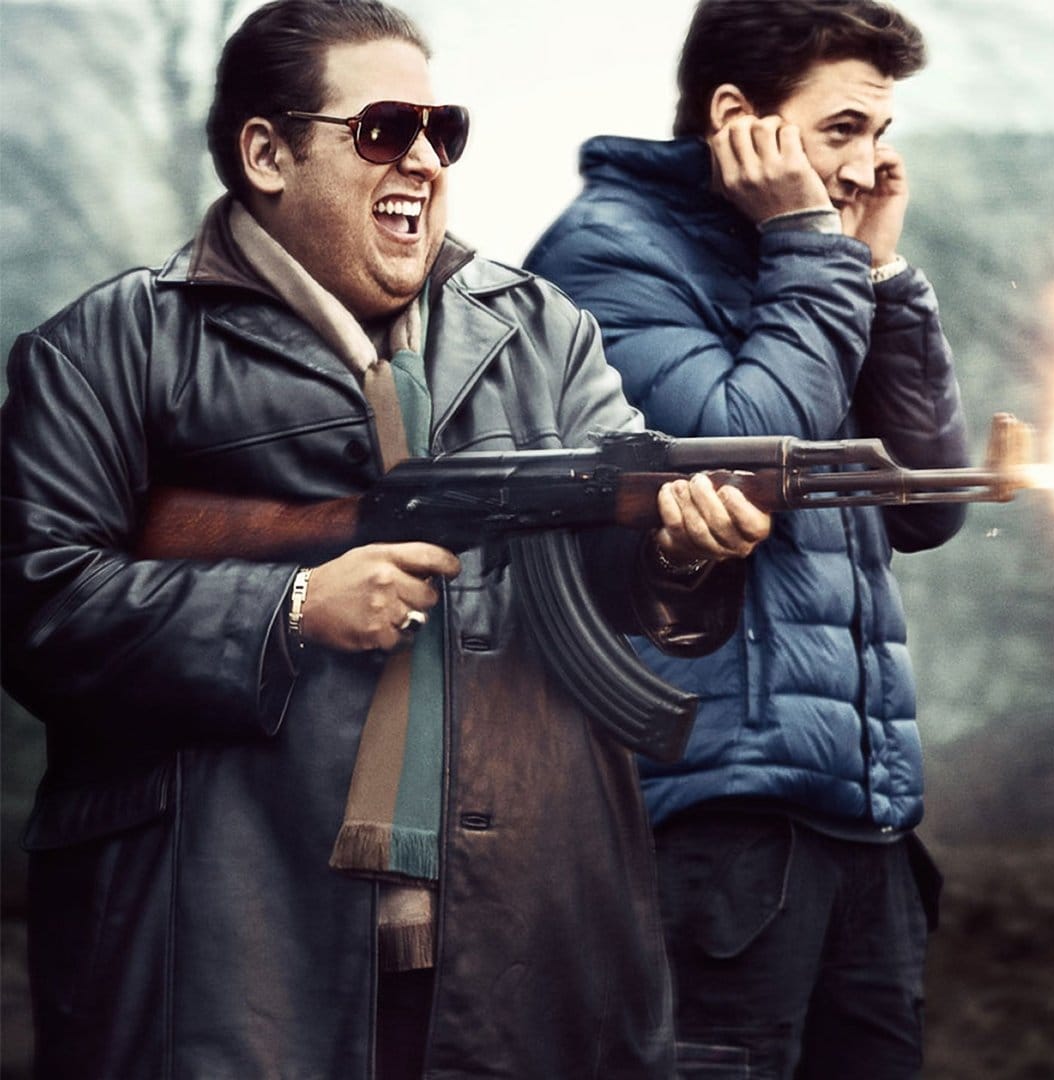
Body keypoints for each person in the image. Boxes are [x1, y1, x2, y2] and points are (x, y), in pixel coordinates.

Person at [0, 1, 771, 1077]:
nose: (424, 158)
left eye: (441, 130)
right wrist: (290, 608)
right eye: (384, 129)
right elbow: (39, 604)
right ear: (266, 154)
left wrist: (681, 552)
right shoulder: (111, 347)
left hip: (519, 943)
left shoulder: (541, 331)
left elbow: (608, 567)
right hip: (229, 946)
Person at [524, 1, 965, 1074]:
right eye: (841, 128)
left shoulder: (814, 264)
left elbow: (925, 507)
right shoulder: (608, 254)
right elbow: (742, 457)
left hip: (862, 820)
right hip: (716, 830)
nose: (866, 166)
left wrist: (882, 280)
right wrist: (812, 248)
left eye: (880, 132)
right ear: (736, 117)